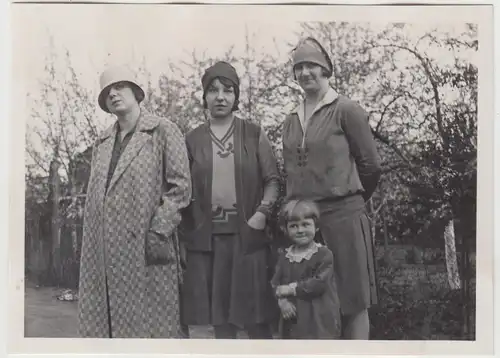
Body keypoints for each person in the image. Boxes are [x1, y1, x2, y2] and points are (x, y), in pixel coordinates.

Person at [77, 66, 192, 338]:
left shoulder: (163, 131)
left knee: (152, 329)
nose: (113, 94)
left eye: (120, 87)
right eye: (107, 92)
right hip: (104, 250)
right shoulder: (102, 142)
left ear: (136, 91)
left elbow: (181, 187)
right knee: (107, 329)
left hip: (146, 244)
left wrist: (158, 231)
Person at [282, 37, 382, 340]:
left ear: (326, 70)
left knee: (353, 301)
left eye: (311, 65)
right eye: (298, 67)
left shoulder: (346, 110)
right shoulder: (290, 119)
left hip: (344, 217)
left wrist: (350, 201)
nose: (305, 73)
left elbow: (371, 166)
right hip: (305, 224)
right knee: (314, 302)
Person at [180, 61, 280, 339]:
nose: (220, 97)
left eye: (227, 90)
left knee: (257, 320)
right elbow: (181, 189)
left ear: (236, 96)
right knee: (221, 323)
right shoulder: (192, 140)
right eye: (213, 91)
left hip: (247, 237)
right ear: (204, 97)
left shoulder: (253, 133)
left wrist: (261, 213)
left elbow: (272, 180)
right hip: (209, 242)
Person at [271, 199, 341, 339]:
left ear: (316, 227)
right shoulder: (285, 256)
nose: (300, 230)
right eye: (294, 226)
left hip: (318, 317)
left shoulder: (323, 254)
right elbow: (275, 283)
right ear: (286, 229)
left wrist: (291, 289)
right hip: (294, 318)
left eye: (305, 224)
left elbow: (319, 283)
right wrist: (282, 302)